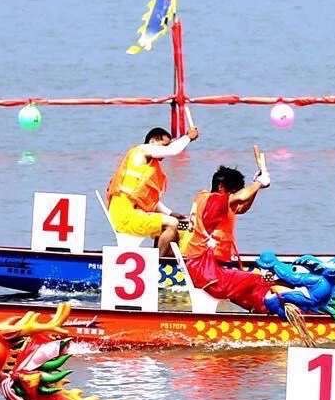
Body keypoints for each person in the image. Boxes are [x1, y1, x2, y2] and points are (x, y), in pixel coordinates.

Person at [177, 150, 271, 311]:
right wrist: (259, 183)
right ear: (221, 187)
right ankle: (271, 321)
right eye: (233, 191)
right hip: (205, 271)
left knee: (251, 293)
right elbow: (241, 197)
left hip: (207, 267)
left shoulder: (207, 199)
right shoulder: (213, 199)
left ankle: (262, 316)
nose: (234, 195)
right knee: (258, 280)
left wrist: (257, 188)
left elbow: (241, 207)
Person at [106, 123, 199, 257]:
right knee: (172, 224)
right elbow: (172, 150)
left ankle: (164, 260)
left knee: (170, 222)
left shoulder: (149, 166)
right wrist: (188, 137)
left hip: (132, 213)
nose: (165, 150)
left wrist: (170, 212)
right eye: (164, 145)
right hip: (124, 214)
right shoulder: (141, 151)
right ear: (153, 141)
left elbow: (149, 200)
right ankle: (157, 264)